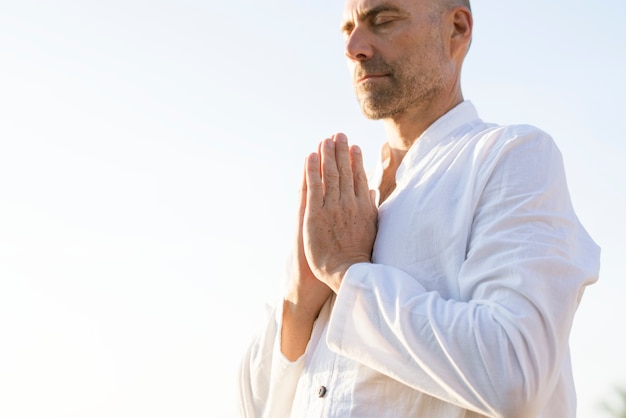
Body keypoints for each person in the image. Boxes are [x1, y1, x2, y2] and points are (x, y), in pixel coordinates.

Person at [238, 0, 600, 416]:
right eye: (347, 29)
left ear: (457, 30)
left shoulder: (511, 157)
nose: (354, 46)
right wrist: (299, 303)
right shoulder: (344, 206)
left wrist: (347, 273)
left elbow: (513, 375)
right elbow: (255, 407)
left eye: (383, 20)